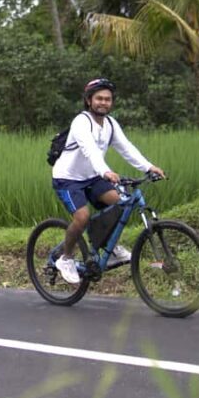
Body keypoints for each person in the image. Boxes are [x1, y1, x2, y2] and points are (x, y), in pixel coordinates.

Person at [51, 78, 165, 284]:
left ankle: (109, 247)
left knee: (120, 203)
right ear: (89, 100)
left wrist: (148, 167)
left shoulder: (111, 124)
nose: (103, 102)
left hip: (92, 177)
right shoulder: (81, 122)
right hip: (68, 178)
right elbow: (90, 150)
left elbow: (126, 148)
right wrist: (105, 171)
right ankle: (65, 259)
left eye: (108, 99)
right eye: (99, 98)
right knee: (82, 217)